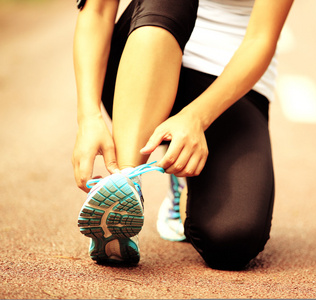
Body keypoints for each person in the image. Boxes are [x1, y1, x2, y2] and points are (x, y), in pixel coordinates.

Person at [72, 0, 294, 270]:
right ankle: (127, 184)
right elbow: (97, 10)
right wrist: (88, 116)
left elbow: (261, 39)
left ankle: (179, 177)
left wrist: (196, 117)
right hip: (142, 54)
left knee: (233, 240)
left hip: (232, 87)